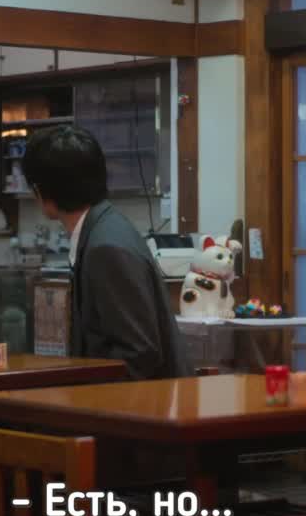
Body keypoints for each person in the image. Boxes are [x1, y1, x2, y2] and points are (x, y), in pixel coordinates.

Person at [21, 124, 190, 379]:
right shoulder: (103, 228)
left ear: (41, 191)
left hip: (146, 400)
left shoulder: (105, 247)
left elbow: (139, 353)